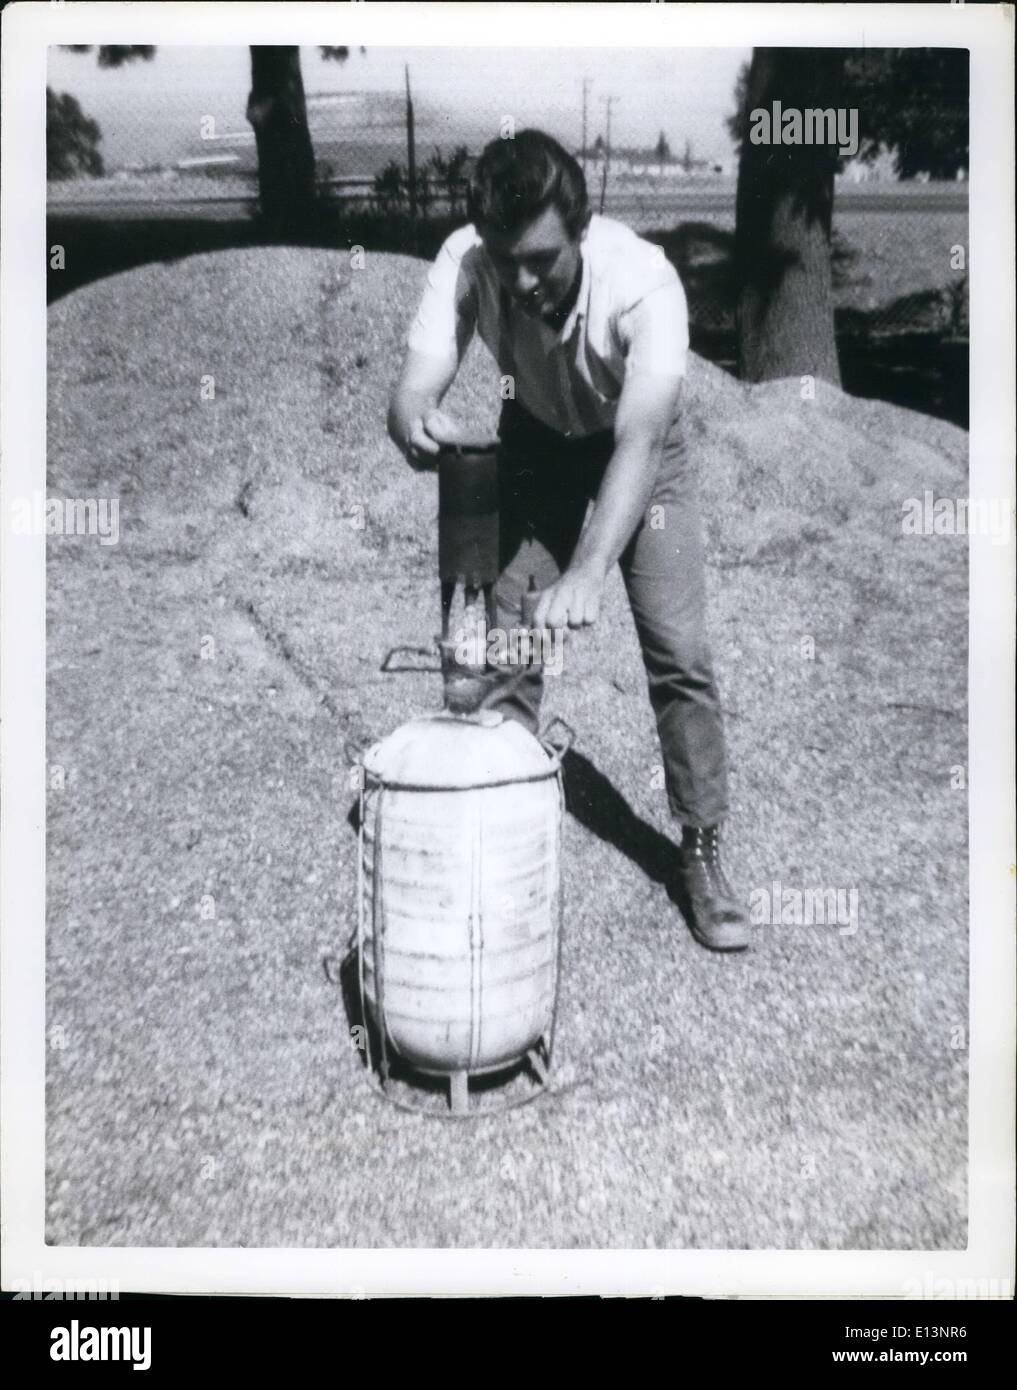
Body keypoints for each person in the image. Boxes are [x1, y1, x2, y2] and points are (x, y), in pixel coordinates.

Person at [387, 129, 749, 952]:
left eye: (541, 260)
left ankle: (699, 847)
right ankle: (503, 824)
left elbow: (642, 441)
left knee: (677, 648)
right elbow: (409, 389)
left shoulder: (645, 284)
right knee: (510, 636)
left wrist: (588, 569)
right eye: (504, 257)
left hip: (638, 451)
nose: (521, 280)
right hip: (537, 437)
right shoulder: (467, 262)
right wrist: (415, 423)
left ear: (580, 231)